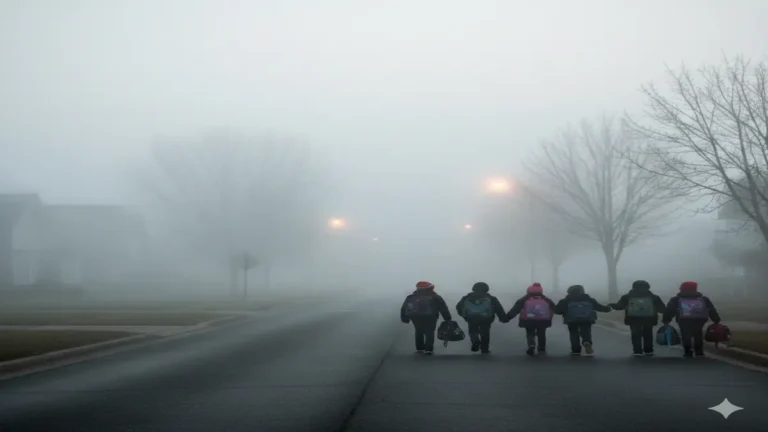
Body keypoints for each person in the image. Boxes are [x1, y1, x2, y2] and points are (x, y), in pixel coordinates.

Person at [662, 281, 721, 358]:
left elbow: (670, 310)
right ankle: (699, 351)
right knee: (698, 334)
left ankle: (688, 351)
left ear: (682, 288)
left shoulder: (676, 299)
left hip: (683, 319)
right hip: (699, 319)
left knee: (685, 334)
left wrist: (666, 319)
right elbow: (711, 309)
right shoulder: (703, 299)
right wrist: (716, 319)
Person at [610, 280, 667, 356]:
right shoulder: (654, 297)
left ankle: (637, 351)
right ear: (648, 287)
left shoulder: (627, 297)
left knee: (635, 334)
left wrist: (611, 305)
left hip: (633, 319)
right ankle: (648, 350)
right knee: (648, 334)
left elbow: (619, 306)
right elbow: (662, 309)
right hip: (649, 319)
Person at [555, 285, 611, 356]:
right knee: (586, 332)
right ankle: (587, 342)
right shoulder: (588, 299)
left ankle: (576, 349)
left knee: (573, 333)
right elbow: (598, 307)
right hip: (586, 319)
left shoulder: (566, 300)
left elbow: (558, 310)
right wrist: (607, 309)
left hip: (571, 319)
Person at [400, 280, 452, 355]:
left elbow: (404, 308)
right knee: (429, 332)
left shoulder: (411, 297)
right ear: (430, 288)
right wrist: (447, 318)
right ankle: (428, 349)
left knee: (418, 331)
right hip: (430, 317)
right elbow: (443, 307)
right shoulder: (434, 296)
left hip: (415, 316)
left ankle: (420, 348)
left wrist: (405, 318)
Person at [455, 281, 508, 354]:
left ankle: (475, 341)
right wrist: (503, 318)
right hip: (486, 318)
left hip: (471, 318)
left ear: (473, 288)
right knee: (485, 332)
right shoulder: (491, 298)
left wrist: (464, 315)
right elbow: (498, 309)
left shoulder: (467, 297)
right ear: (486, 289)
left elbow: (459, 307)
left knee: (473, 331)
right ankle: (485, 348)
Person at [507, 283, 557, 356]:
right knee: (541, 334)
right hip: (543, 320)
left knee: (530, 333)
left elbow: (515, 309)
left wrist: (507, 318)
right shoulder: (546, 299)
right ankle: (542, 349)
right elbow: (555, 308)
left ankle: (531, 344)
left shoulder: (524, 299)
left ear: (528, 291)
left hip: (528, 320)